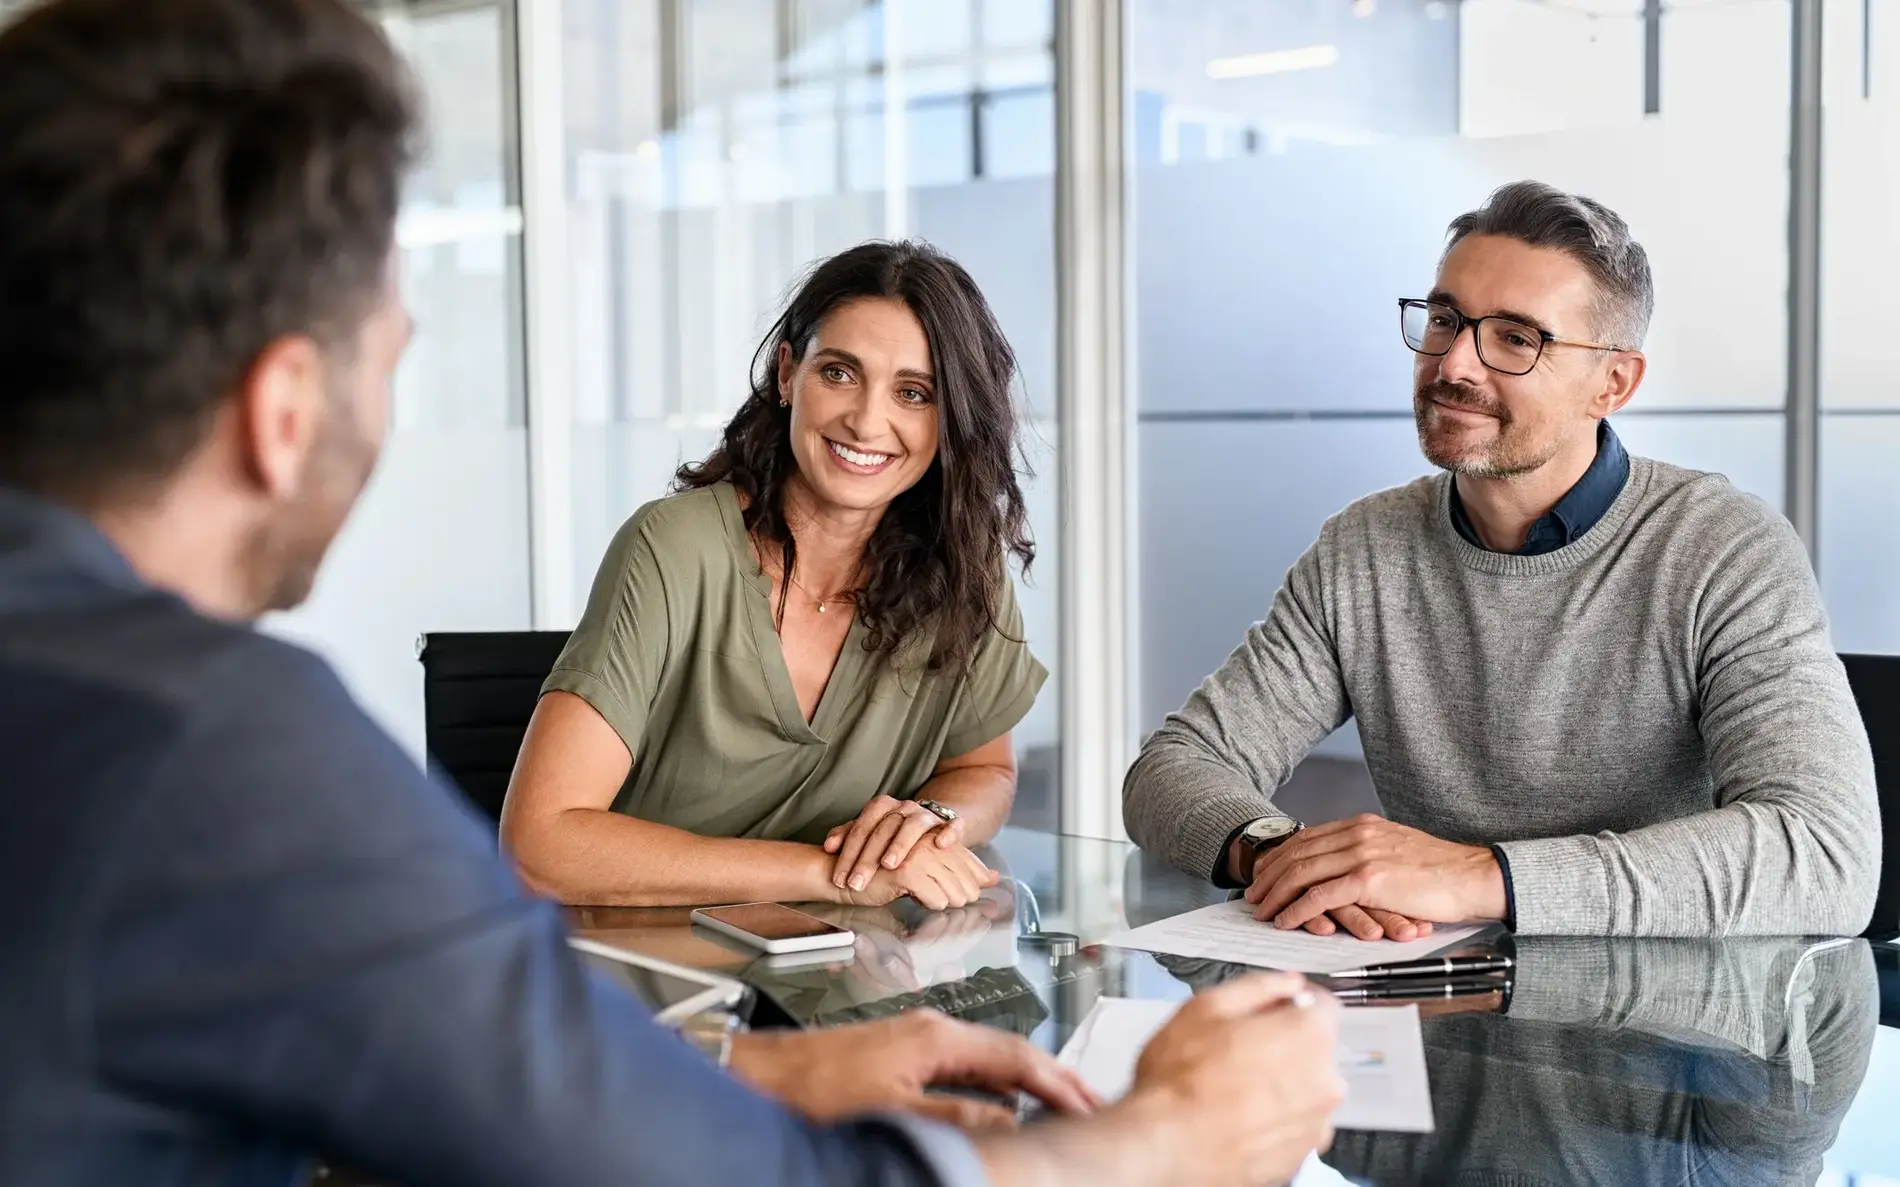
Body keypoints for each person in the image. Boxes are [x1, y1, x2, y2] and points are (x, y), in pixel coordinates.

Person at [0, 1, 1348, 1185]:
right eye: (392, 346)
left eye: (915, 392)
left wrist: (765, 1069)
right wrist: (1155, 1140)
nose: (869, 415)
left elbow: (432, 1083)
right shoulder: (219, 756)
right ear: (284, 407)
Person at [1124, 180, 1880, 940]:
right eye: (1446, 318)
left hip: (1673, 1031)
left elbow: (1823, 854)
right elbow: (1173, 767)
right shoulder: (1363, 549)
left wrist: (1478, 874)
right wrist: (1281, 854)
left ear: (1612, 383)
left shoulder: (1722, 549)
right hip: (1432, 1007)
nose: (1454, 364)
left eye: (1517, 338)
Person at [502, 241, 1047, 910]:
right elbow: (539, 845)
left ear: (951, 416)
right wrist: (829, 876)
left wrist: (930, 820)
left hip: (838, 983)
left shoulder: (964, 566)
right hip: (640, 978)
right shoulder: (673, 548)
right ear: (788, 374)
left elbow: (983, 768)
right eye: (840, 373)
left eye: (914, 392)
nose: (867, 420)